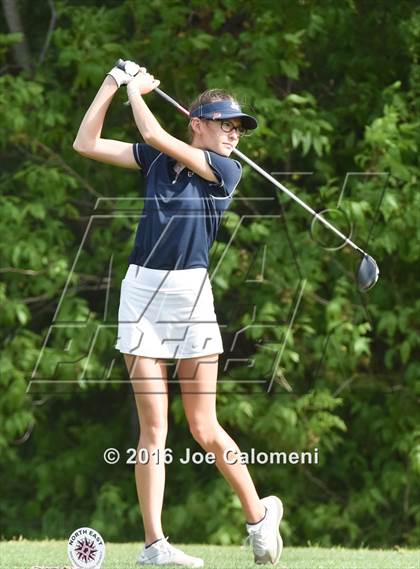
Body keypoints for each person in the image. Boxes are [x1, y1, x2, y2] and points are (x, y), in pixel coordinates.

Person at [73, 61, 284, 567]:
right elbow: (86, 143)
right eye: (225, 123)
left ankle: (258, 519)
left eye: (238, 127)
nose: (234, 134)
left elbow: (150, 128)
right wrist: (110, 83)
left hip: (191, 298)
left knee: (203, 427)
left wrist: (135, 91)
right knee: (154, 431)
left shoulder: (226, 169)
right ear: (197, 120)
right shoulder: (156, 161)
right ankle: (154, 547)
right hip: (142, 293)